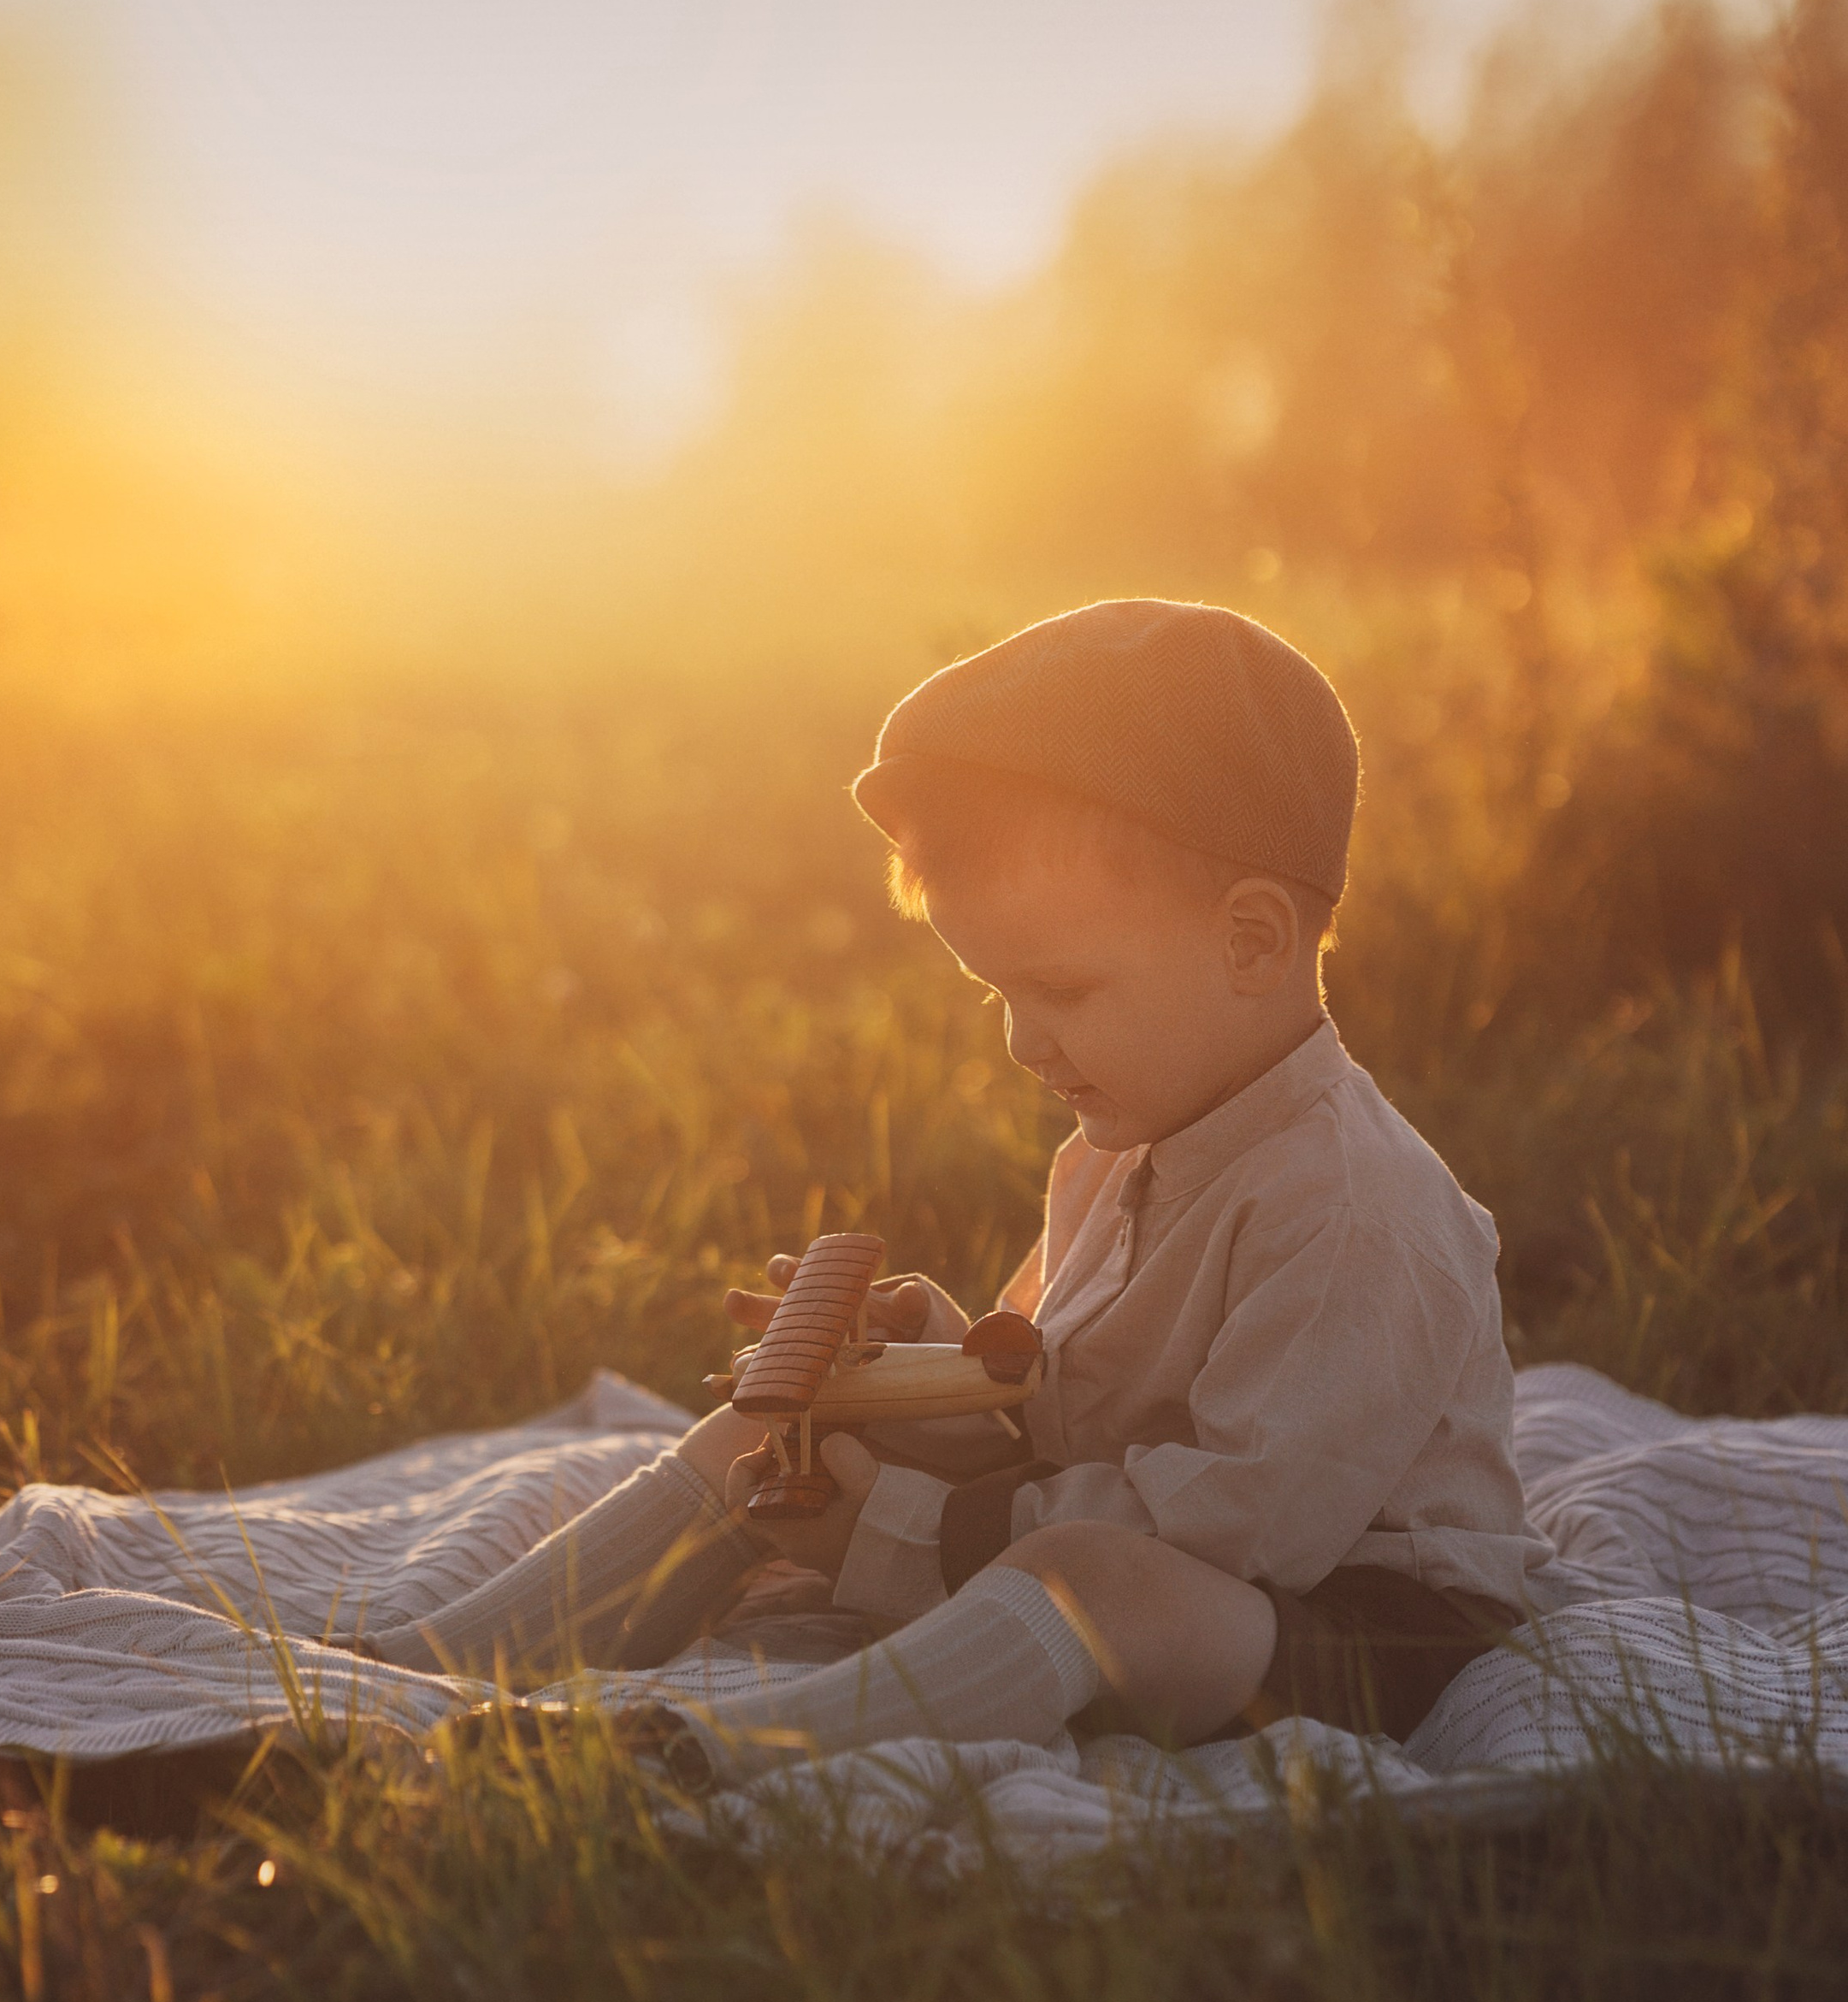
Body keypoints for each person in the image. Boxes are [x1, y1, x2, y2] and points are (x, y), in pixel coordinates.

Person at [369, 598, 1559, 1779]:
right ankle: (402, 1673)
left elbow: (1231, 1531)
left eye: (1064, 991)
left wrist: (900, 1541)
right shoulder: (1115, 1149)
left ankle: (713, 1753)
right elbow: (1067, 1409)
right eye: (997, 992)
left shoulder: (1354, 1209)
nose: (1018, 1043)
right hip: (1168, 1537)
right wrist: (932, 1376)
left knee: (1086, 1584)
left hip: (1345, 1625)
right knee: (769, 1440)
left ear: (1251, 942)